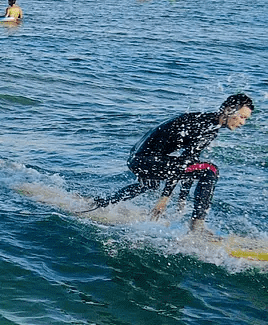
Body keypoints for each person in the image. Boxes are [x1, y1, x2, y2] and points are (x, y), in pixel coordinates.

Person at [88, 94, 255, 235]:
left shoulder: (203, 118)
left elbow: (187, 164)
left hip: (137, 159)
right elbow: (184, 164)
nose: (242, 123)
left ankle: (102, 203)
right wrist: (165, 199)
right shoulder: (209, 128)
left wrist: (180, 196)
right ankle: (197, 227)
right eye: (242, 117)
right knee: (210, 170)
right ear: (228, 111)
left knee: (152, 183)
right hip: (146, 160)